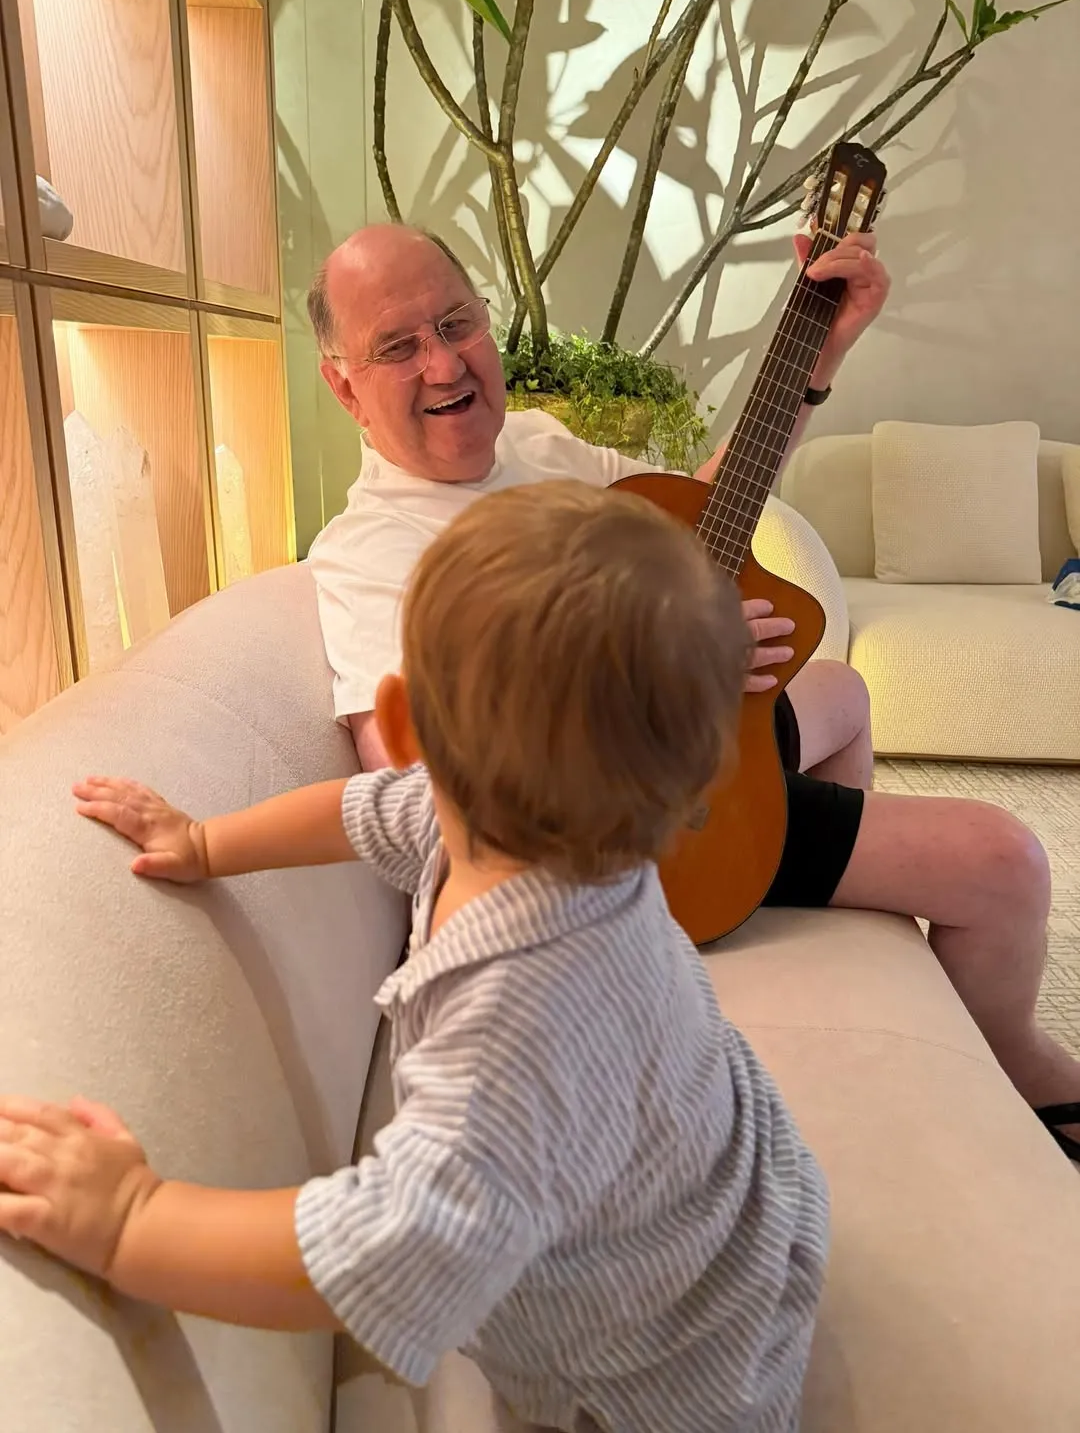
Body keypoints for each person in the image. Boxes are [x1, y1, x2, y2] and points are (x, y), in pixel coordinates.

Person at [1, 482, 829, 1433]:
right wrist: (205, 841)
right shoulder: (534, 819)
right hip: (709, 1187)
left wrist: (132, 1219)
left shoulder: (521, 1030)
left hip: (669, 1369)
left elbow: (388, 1247)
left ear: (396, 726)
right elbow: (356, 813)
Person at [303, 222, 1080, 1160]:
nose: (443, 362)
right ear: (344, 384)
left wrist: (815, 356)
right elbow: (426, 781)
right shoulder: (372, 554)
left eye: (456, 322)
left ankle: (814, 887)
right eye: (397, 346)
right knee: (1007, 864)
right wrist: (670, 658)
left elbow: (704, 517)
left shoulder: (540, 447)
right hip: (627, 841)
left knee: (840, 691)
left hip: (691, 758)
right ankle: (1019, 1064)